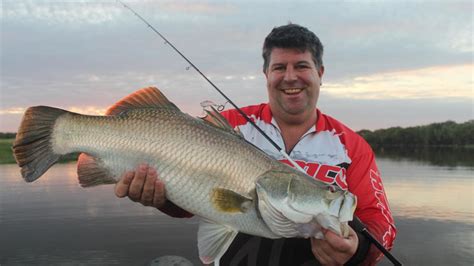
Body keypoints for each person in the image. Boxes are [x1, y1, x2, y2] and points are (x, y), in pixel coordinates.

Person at [115, 23, 396, 265]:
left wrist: (357, 250)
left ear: (320, 72)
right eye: (279, 67)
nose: (290, 77)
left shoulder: (351, 146)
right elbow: (191, 202)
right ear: (266, 75)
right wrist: (162, 199)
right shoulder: (226, 126)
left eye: (301, 66)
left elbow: (381, 224)